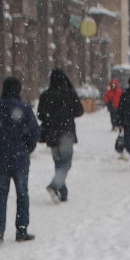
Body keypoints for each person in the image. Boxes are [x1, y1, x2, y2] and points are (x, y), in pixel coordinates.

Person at [0, 75, 40, 245]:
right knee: (22, 194)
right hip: (20, 158)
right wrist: (26, 149)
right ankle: (21, 230)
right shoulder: (24, 109)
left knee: (0, 195)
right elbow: (34, 132)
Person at [36, 67, 84, 204]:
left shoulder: (46, 95)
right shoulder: (69, 94)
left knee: (58, 163)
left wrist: (51, 117)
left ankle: (63, 193)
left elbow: (40, 114)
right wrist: (67, 114)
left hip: (51, 134)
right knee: (66, 163)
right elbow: (79, 111)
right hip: (66, 133)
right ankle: (54, 185)